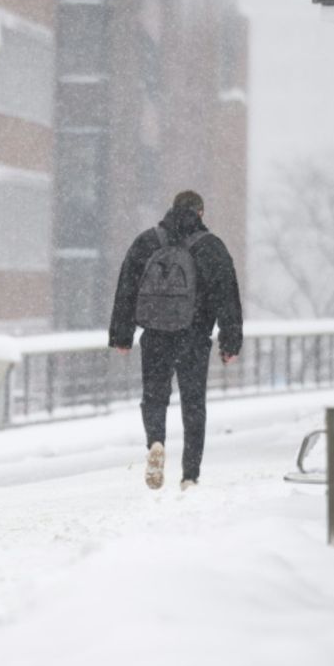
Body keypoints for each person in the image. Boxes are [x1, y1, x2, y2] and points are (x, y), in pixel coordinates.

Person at [108, 190, 243, 491]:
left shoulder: (147, 242)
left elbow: (126, 288)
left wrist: (122, 334)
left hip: (155, 335)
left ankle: (156, 442)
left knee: (154, 397)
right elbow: (227, 297)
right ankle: (190, 475)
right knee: (193, 404)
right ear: (200, 213)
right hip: (194, 337)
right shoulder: (211, 247)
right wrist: (230, 342)